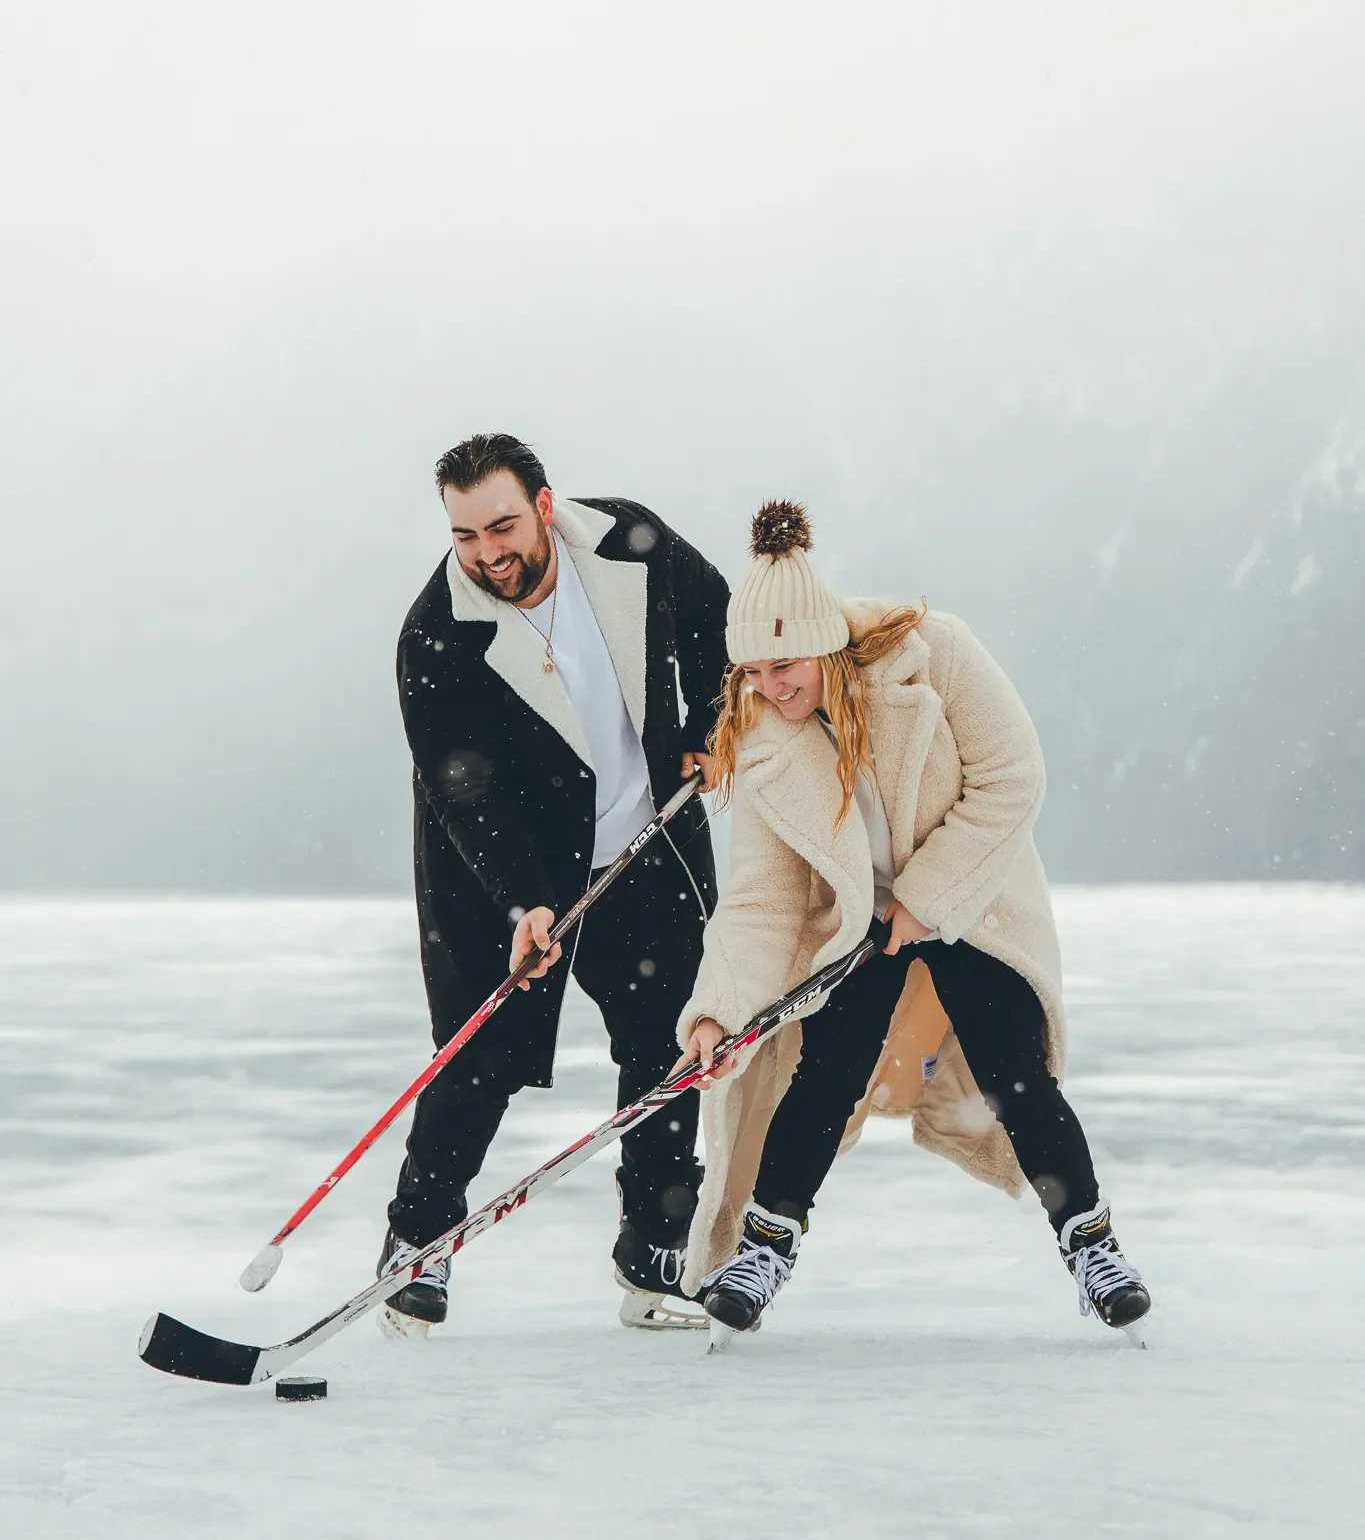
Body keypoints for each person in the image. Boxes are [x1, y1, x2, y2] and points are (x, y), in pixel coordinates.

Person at [674, 500, 1150, 1338]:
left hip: (972, 898)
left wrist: (925, 900)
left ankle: (1091, 1244)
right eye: (749, 671)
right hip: (857, 920)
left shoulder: (939, 657)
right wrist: (718, 1010)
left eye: (782, 665)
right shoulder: (758, 735)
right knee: (823, 1068)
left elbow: (1011, 779)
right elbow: (762, 895)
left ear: (824, 641)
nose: (766, 687)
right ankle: (763, 1249)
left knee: (1010, 1066)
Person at [379, 432, 729, 1333]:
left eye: (501, 526)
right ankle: (416, 1249)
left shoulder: (625, 542)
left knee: (666, 1047)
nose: (488, 554)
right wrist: (524, 901)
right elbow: (465, 789)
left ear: (543, 505)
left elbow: (719, 619)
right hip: (499, 875)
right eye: (465, 537)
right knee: (478, 1056)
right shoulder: (435, 631)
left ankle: (654, 1258)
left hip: (646, 849)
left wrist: (709, 722)